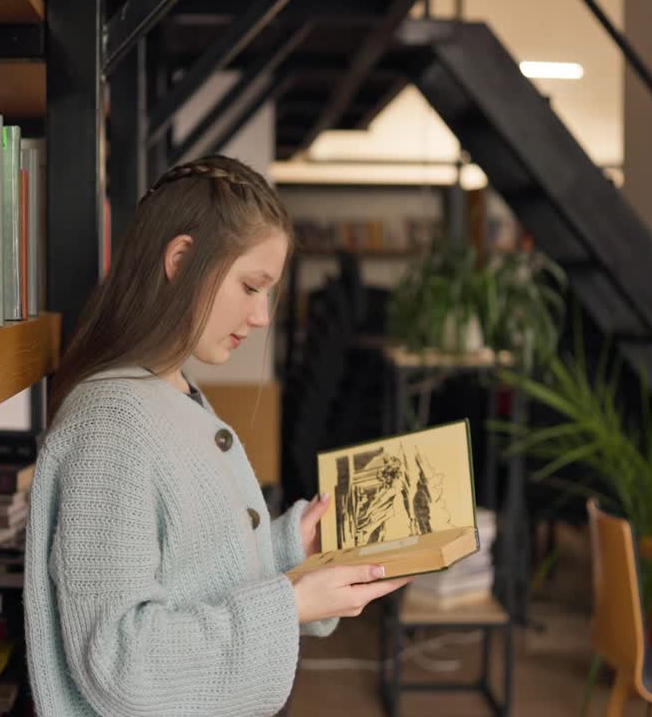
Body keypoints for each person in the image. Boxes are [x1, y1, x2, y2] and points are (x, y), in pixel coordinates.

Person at [24, 155, 412, 716]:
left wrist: (287, 548)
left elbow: (188, 570)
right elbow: (120, 664)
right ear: (181, 260)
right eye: (251, 286)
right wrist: (292, 603)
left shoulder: (173, 394)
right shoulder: (110, 425)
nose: (260, 316)